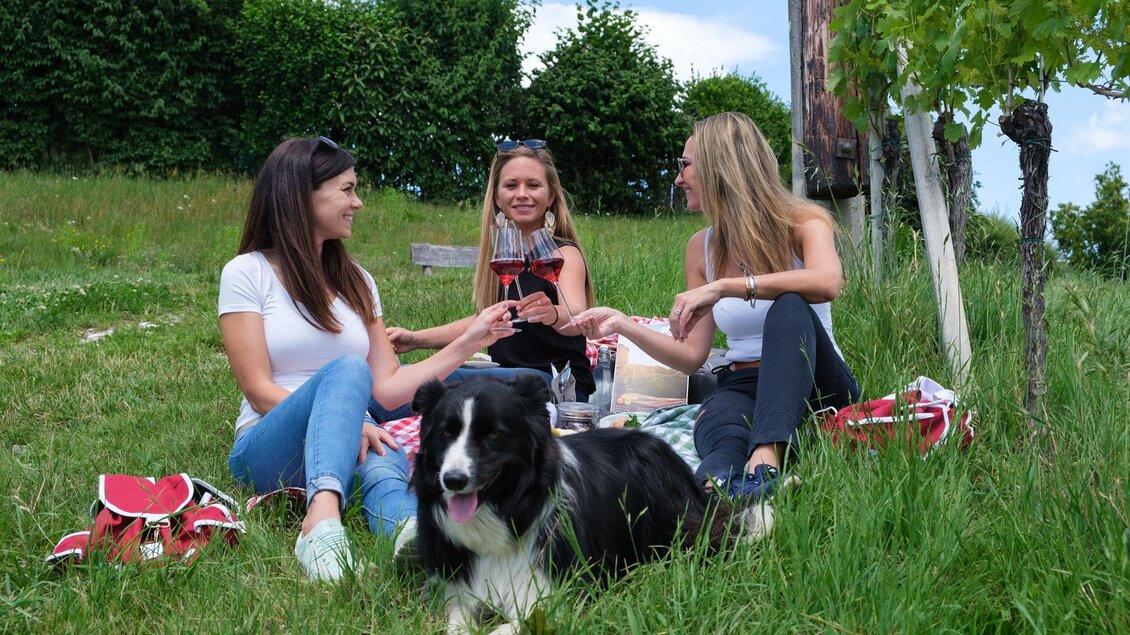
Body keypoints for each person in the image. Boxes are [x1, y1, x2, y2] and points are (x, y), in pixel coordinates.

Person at [218, 136, 514, 582]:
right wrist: (342, 421)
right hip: (268, 444)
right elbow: (257, 390)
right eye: (347, 189)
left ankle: (413, 535)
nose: (357, 203)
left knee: (382, 458)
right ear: (301, 193)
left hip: (349, 440)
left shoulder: (357, 281)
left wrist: (470, 341)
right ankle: (320, 521)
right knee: (349, 372)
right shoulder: (247, 272)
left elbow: (389, 388)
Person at [574, 112, 861, 500]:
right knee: (721, 428)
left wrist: (726, 287)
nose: (678, 178)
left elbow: (827, 283)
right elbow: (693, 356)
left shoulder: (804, 221)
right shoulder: (701, 247)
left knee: (790, 304)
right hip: (742, 384)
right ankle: (714, 495)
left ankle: (765, 465)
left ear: (719, 167)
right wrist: (623, 325)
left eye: (685, 165)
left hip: (817, 382)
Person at [386, 140, 596, 398]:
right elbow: (483, 321)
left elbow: (577, 316)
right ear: (497, 198)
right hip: (506, 378)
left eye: (533, 185)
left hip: (554, 384)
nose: (522, 193)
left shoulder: (563, 254)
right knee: (413, 375)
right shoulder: (504, 257)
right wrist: (416, 339)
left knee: (426, 383)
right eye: (511, 185)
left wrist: (552, 312)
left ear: (551, 196)